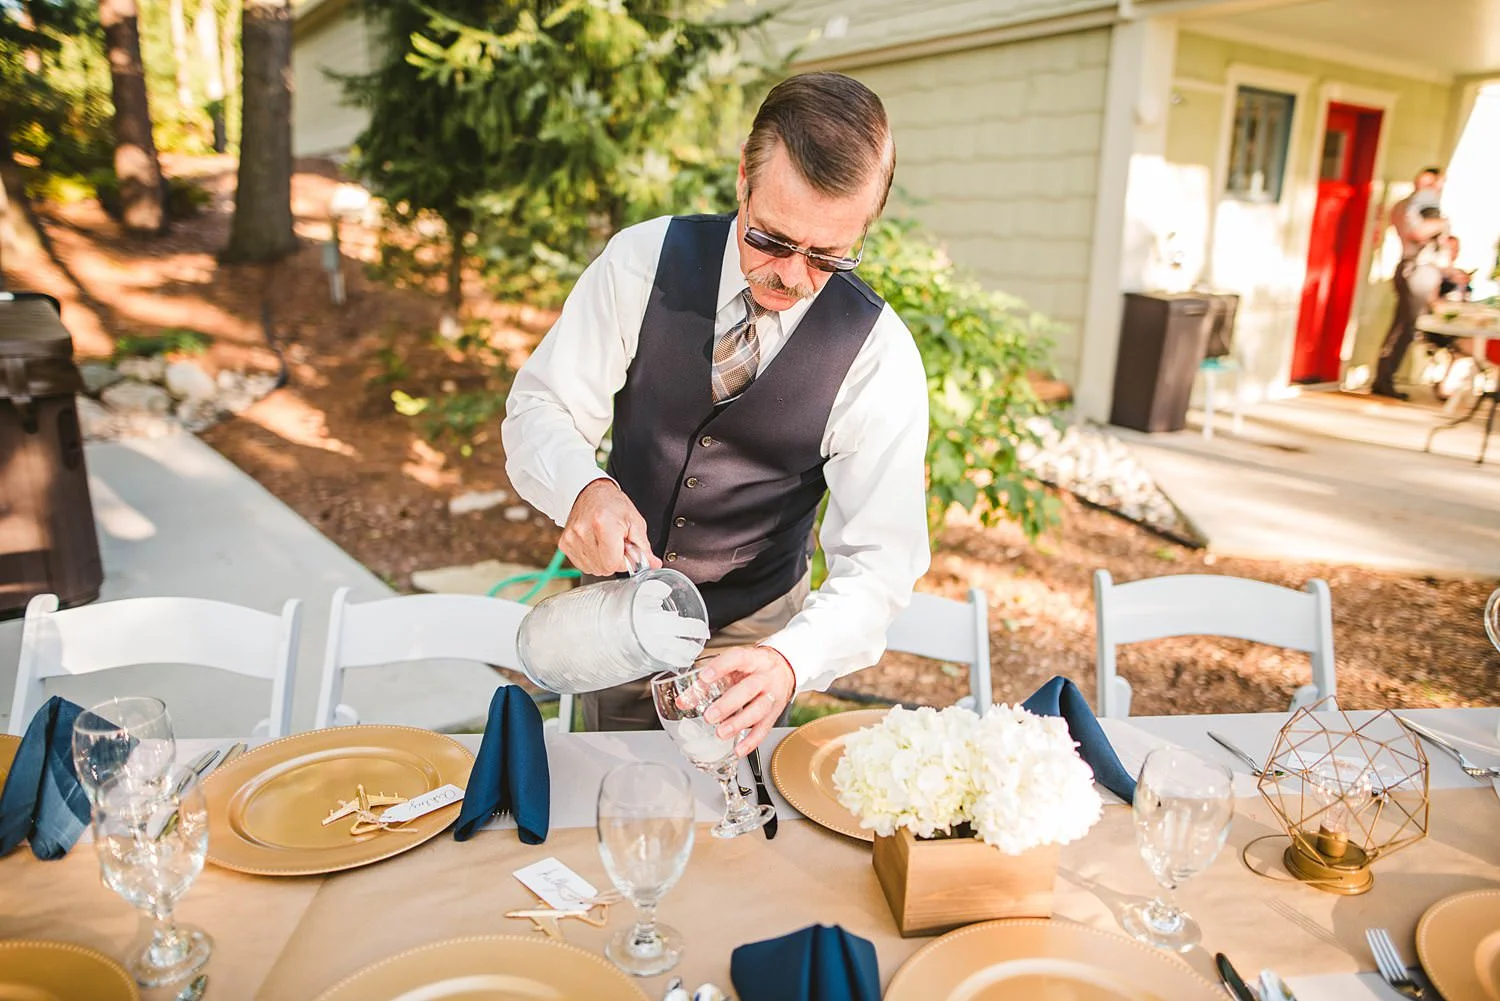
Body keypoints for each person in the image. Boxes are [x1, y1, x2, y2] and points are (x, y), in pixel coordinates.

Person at [501, 73, 931, 755]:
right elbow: (540, 406)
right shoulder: (641, 263)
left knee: (733, 824)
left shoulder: (879, 360)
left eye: (828, 256)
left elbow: (880, 564)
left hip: (757, 633)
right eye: (771, 239)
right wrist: (583, 488)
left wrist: (792, 659)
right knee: (607, 791)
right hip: (616, 609)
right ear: (742, 179)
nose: (791, 275)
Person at [1372, 167, 1448, 399]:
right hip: (1415, 267)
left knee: (1403, 325)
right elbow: (1418, 233)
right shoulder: (1422, 204)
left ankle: (1384, 377)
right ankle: (1384, 379)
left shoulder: (1406, 204)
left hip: (1410, 267)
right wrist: (1444, 223)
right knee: (1406, 326)